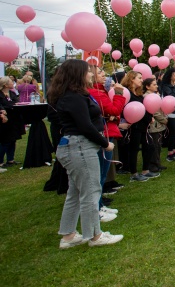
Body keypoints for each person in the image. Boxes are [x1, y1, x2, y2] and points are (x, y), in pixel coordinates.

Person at [48, 59, 122, 248]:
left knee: (75, 192)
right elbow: (85, 126)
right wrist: (105, 144)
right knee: (90, 191)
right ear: (77, 74)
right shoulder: (72, 97)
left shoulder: (74, 95)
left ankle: (68, 235)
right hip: (80, 147)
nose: (91, 74)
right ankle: (95, 236)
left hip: (77, 146)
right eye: (88, 71)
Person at [87, 66, 126, 216]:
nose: (104, 75)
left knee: (101, 172)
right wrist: (118, 94)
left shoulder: (100, 91)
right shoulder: (95, 93)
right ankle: (97, 206)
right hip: (104, 134)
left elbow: (112, 113)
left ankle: (99, 203)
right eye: (100, 73)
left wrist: (112, 115)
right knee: (100, 173)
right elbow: (114, 110)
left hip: (107, 131)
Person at [120, 71, 157, 182]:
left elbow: (145, 108)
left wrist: (150, 118)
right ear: (132, 79)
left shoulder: (138, 93)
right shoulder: (127, 94)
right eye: (139, 78)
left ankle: (145, 170)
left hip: (143, 125)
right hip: (134, 126)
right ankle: (134, 173)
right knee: (133, 149)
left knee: (149, 146)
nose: (142, 80)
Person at [143, 78, 168, 173]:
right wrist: (164, 120)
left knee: (158, 145)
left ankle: (157, 163)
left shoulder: (154, 95)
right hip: (154, 124)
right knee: (154, 145)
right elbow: (155, 112)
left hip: (158, 124)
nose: (156, 86)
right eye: (154, 84)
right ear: (147, 86)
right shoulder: (147, 97)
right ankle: (152, 165)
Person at [0, 76, 24, 168]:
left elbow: (16, 102)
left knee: (12, 140)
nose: (13, 82)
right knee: (5, 141)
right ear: (5, 84)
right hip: (5, 120)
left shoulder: (12, 93)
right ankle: (1, 160)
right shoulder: (0, 95)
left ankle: (10, 159)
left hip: (14, 119)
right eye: (11, 81)